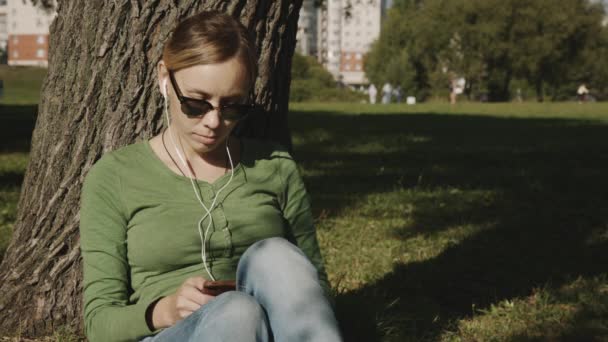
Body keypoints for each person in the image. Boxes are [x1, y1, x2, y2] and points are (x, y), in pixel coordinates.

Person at [79, 10, 342, 342]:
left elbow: (314, 289)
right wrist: (167, 309)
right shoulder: (115, 176)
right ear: (164, 79)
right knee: (236, 311)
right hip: (172, 334)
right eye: (196, 104)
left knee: (276, 255)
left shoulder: (275, 165)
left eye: (232, 107)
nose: (214, 123)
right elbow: (100, 322)